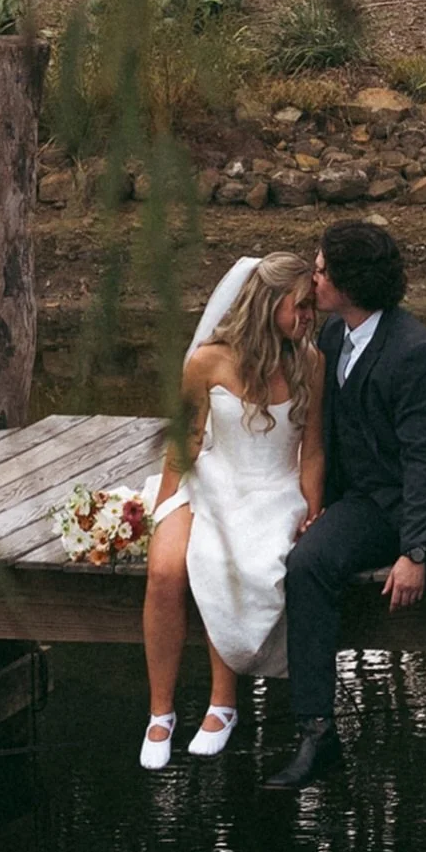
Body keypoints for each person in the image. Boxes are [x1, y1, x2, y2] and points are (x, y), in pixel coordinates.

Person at [275, 222, 426, 805]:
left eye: (321, 271)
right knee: (307, 564)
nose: (314, 278)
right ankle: (317, 733)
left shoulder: (416, 353)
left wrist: (414, 554)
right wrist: (321, 511)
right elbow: (329, 438)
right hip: (369, 501)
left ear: (349, 284)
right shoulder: (333, 340)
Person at [140, 253, 325, 771]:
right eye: (302, 305)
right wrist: (164, 511)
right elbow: (187, 441)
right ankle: (161, 712)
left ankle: (223, 703)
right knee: (164, 568)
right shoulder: (208, 361)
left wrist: (314, 510)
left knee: (235, 561)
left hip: (274, 488)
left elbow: (312, 450)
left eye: (313, 306)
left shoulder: (311, 362)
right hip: (212, 480)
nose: (311, 316)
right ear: (270, 303)